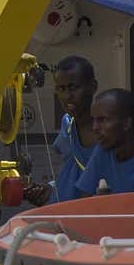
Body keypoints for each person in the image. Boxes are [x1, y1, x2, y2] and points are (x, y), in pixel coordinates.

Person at [26, 55, 99, 205]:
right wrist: (52, 190)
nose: (67, 96)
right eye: (61, 89)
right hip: (67, 216)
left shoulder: (110, 130)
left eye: (73, 88)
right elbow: (72, 174)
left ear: (93, 86)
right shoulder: (68, 125)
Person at [73, 89, 134, 197]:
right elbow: (85, 198)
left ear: (126, 123)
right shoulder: (102, 151)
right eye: (93, 120)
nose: (94, 127)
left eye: (103, 120)